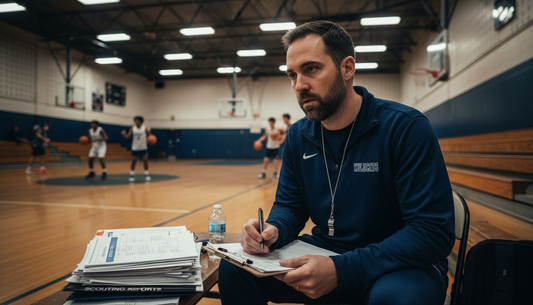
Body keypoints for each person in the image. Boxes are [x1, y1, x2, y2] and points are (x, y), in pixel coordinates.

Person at [218, 21, 454, 305]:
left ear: (347, 68)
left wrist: (343, 270)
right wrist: (274, 230)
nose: (299, 85)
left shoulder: (405, 127)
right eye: (292, 75)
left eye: (311, 69)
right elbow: (290, 205)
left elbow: (431, 232)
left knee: (396, 299)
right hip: (328, 253)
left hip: (398, 264)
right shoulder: (298, 135)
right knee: (234, 268)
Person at [121, 116, 151, 182]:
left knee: (145, 160)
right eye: (135, 121)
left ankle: (146, 174)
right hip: (135, 147)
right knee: (134, 161)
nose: (136, 122)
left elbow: (150, 136)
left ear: (141, 121)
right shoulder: (132, 129)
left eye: (137, 121)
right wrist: (124, 134)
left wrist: (151, 140)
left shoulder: (145, 128)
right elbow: (128, 137)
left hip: (143, 147)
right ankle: (132, 174)